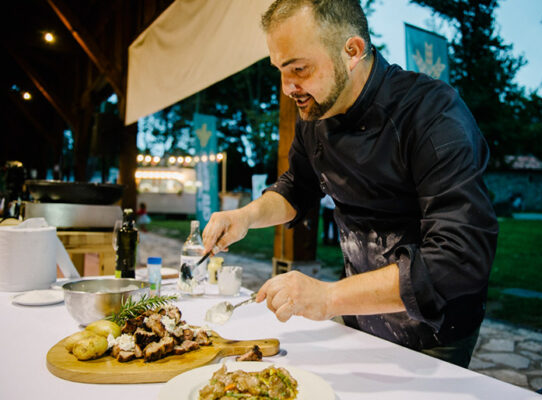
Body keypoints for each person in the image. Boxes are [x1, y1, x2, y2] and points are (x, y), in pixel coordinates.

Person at [201, 0, 498, 368]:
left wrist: (327, 298)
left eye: (299, 69)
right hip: (359, 319)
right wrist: (245, 216)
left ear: (352, 51)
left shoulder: (432, 113)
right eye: (280, 70)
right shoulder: (315, 111)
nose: (287, 87)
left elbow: (459, 257)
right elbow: (298, 186)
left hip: (433, 332)